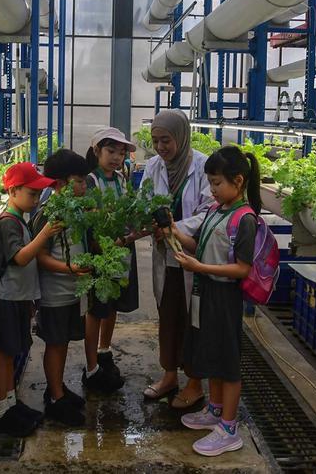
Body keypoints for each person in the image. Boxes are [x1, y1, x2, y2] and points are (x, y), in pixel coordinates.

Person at [169, 145, 261, 456]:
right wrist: (174, 231)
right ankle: (215, 409)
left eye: (217, 183)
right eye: (210, 183)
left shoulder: (245, 219)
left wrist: (199, 267)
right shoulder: (215, 210)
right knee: (211, 351)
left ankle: (229, 428)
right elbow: (200, 244)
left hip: (224, 296)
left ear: (238, 180)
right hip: (205, 290)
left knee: (227, 361)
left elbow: (242, 268)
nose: (212, 189)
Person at [141, 110, 211, 409]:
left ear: (181, 136)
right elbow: (144, 202)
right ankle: (169, 376)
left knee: (193, 320)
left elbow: (210, 209)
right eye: (155, 141)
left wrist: (175, 228)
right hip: (165, 257)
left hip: (193, 256)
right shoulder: (154, 167)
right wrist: (150, 225)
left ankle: (194, 384)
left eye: (166, 140)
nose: (160, 147)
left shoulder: (204, 165)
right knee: (168, 317)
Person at [0, 162, 60, 437]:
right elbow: (21, 258)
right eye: (32, 193)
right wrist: (45, 234)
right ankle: (0, 412)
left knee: (11, 352)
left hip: (17, 297)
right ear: (14, 191)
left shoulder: (20, 219)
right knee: (3, 355)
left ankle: (10, 404)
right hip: (6, 298)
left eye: (39, 193)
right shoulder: (7, 223)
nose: (37, 199)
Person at [31, 149, 92, 426]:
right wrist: (70, 269)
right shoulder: (49, 214)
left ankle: (57, 388)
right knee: (55, 344)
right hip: (54, 293)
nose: (84, 186)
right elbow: (40, 257)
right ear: (61, 185)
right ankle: (55, 399)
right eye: (79, 181)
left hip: (72, 290)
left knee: (63, 341)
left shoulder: (76, 210)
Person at [80, 127, 140, 393]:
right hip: (100, 253)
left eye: (121, 152)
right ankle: (91, 365)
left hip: (122, 251)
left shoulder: (121, 178)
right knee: (96, 309)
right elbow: (91, 223)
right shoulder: (90, 181)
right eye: (110, 151)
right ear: (97, 152)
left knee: (112, 303)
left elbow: (128, 210)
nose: (116, 157)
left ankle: (105, 350)